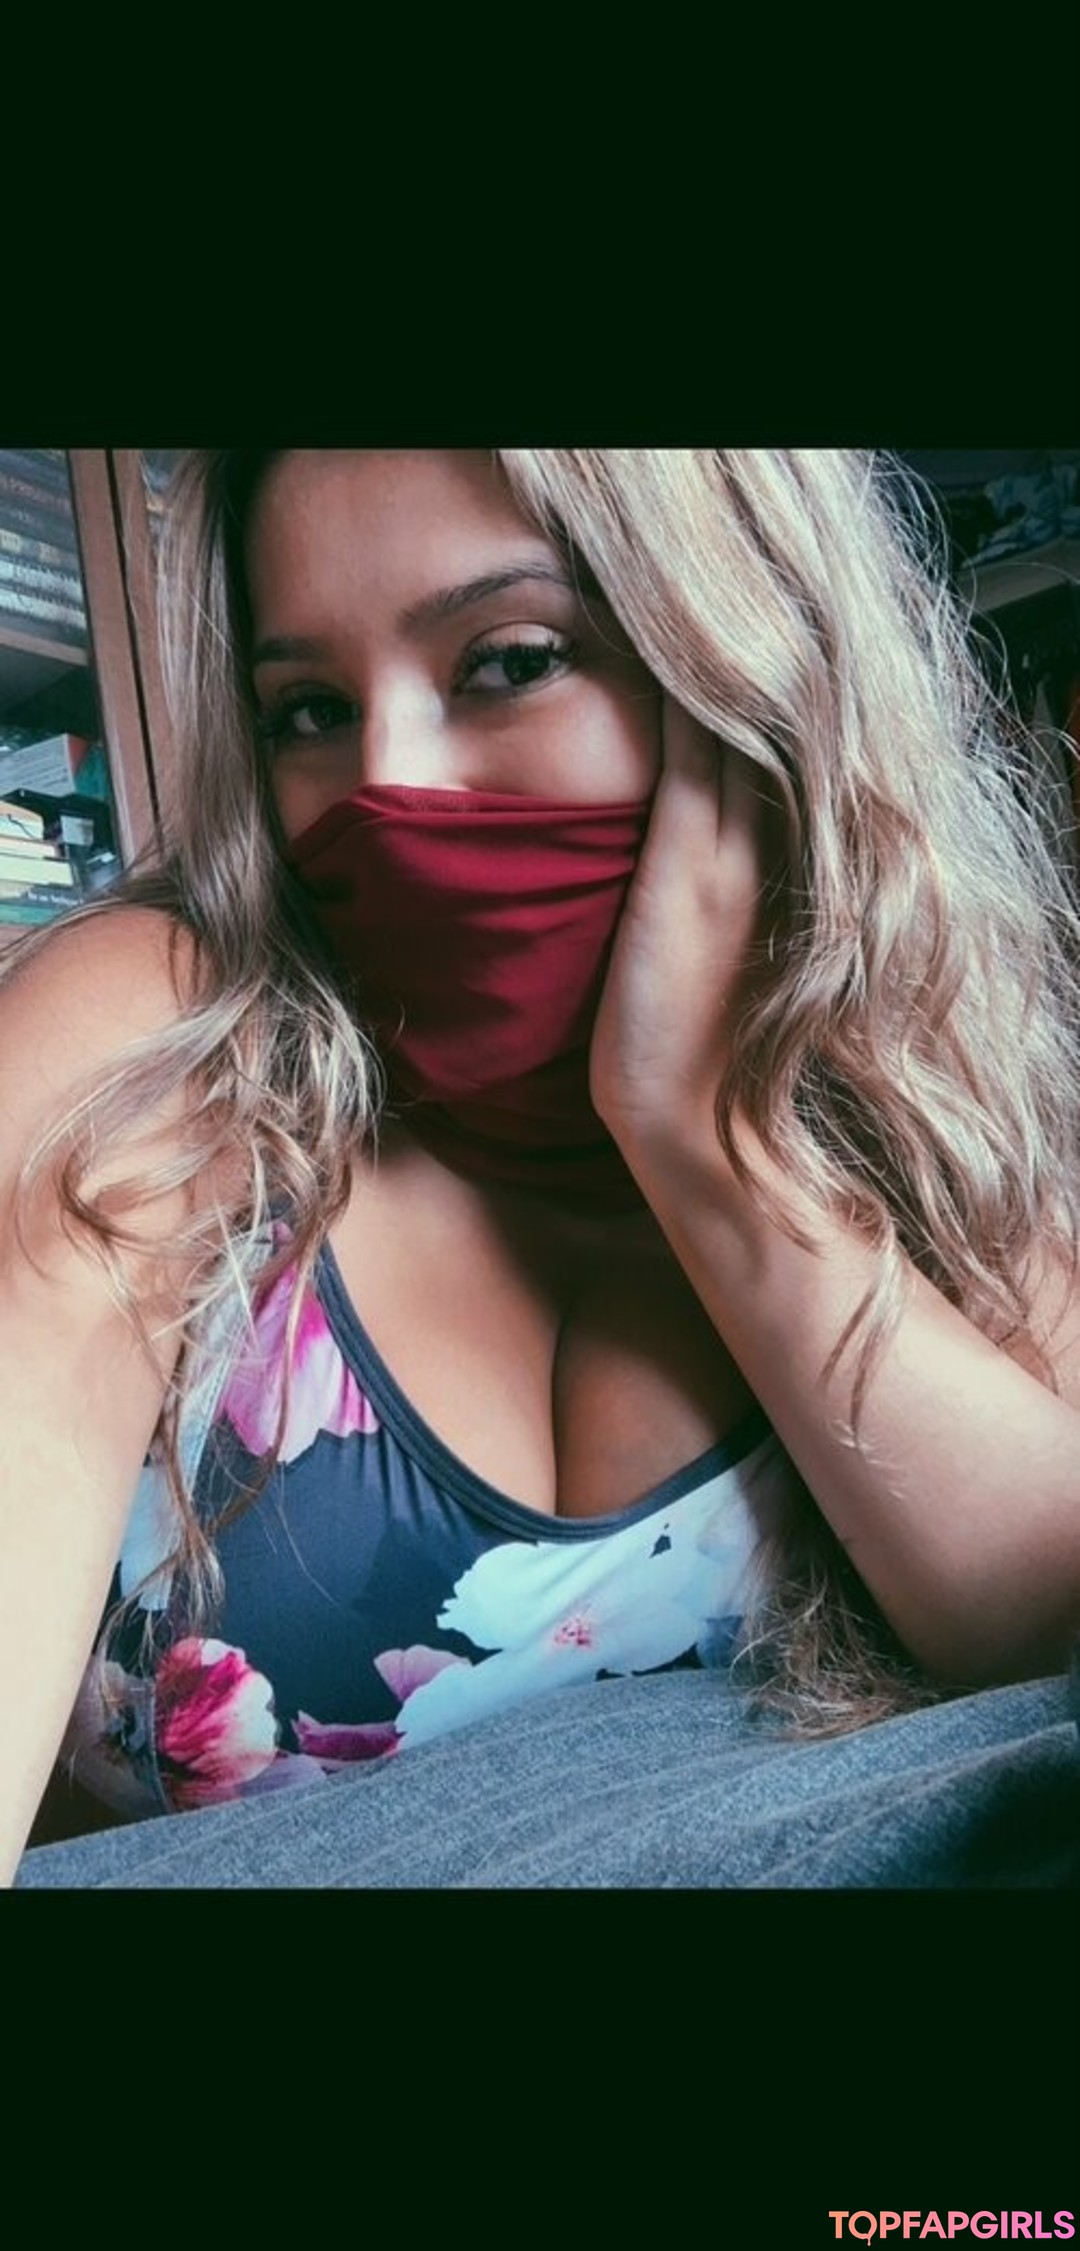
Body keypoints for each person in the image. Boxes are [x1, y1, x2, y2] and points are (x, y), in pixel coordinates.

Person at [5, 448, 1080, 1890]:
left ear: (739, 666)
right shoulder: (155, 1041)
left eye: (509, 663)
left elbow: (1049, 1630)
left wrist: (705, 1141)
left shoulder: (919, 1096)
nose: (389, 780)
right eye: (310, 709)